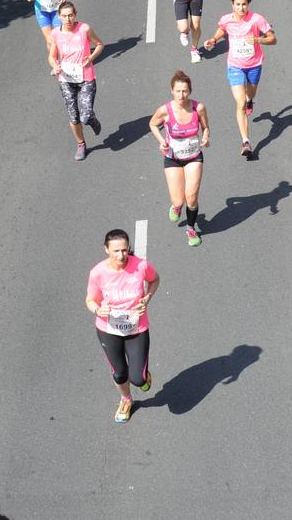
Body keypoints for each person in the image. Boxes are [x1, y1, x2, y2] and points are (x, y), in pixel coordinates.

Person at [86, 229, 159, 422]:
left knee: (138, 379)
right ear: (106, 250)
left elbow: (154, 280)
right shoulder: (98, 273)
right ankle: (126, 399)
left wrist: (147, 297)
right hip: (108, 330)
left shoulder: (141, 266)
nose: (121, 255)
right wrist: (97, 310)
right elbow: (90, 300)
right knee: (119, 374)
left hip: (137, 329)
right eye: (116, 251)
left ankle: (143, 376)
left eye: (125, 250)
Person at [203, 0, 276, 157]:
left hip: (254, 64)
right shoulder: (227, 19)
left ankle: (251, 99)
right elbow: (222, 28)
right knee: (240, 103)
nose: (241, 8)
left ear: (248, 4)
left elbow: (273, 38)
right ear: (232, 4)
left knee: (250, 94)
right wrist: (213, 39)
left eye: (244, 4)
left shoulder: (256, 19)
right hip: (235, 65)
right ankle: (246, 142)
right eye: (237, 4)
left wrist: (258, 39)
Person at [149, 70, 209, 246]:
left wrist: (205, 137)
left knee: (191, 197)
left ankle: (191, 229)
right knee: (179, 200)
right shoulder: (164, 111)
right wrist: (161, 141)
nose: (181, 95)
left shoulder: (199, 108)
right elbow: (152, 124)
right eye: (178, 91)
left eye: (185, 91)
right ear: (171, 90)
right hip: (173, 159)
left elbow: (205, 127)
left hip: (194, 157)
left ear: (190, 91)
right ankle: (176, 206)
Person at [48, 1, 104, 160]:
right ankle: (81, 145)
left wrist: (91, 57)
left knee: (85, 116)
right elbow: (52, 57)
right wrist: (55, 66)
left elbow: (100, 45)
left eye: (70, 15)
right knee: (73, 116)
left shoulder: (84, 29)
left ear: (75, 14)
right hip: (65, 79)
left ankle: (92, 120)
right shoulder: (55, 34)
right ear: (59, 17)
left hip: (85, 77)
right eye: (64, 16)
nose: (68, 19)